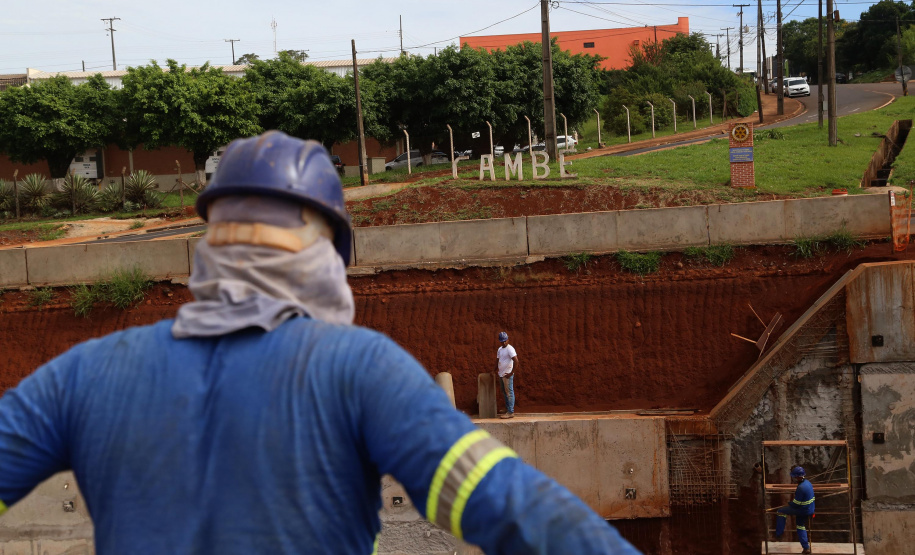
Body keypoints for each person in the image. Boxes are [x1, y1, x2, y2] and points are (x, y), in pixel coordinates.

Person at [0, 131, 640, 555]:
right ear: (326, 258)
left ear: (213, 244)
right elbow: (508, 505)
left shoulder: (86, 374)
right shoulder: (360, 370)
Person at [775, 466, 816, 554]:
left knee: (780, 511)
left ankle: (779, 534)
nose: (793, 478)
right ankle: (806, 548)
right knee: (800, 526)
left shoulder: (801, 488)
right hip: (810, 509)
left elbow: (796, 504)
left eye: (794, 477)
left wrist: (789, 504)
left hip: (803, 510)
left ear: (797, 476)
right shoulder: (808, 483)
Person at [495, 331, 519, 419]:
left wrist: (511, 373)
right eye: (502, 341)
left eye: (505, 340)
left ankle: (510, 412)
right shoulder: (500, 349)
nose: (504, 342)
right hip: (501, 374)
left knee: (509, 392)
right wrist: (494, 370)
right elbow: (498, 360)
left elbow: (516, 361)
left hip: (507, 374)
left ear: (508, 340)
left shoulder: (510, 349)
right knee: (504, 392)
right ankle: (507, 408)